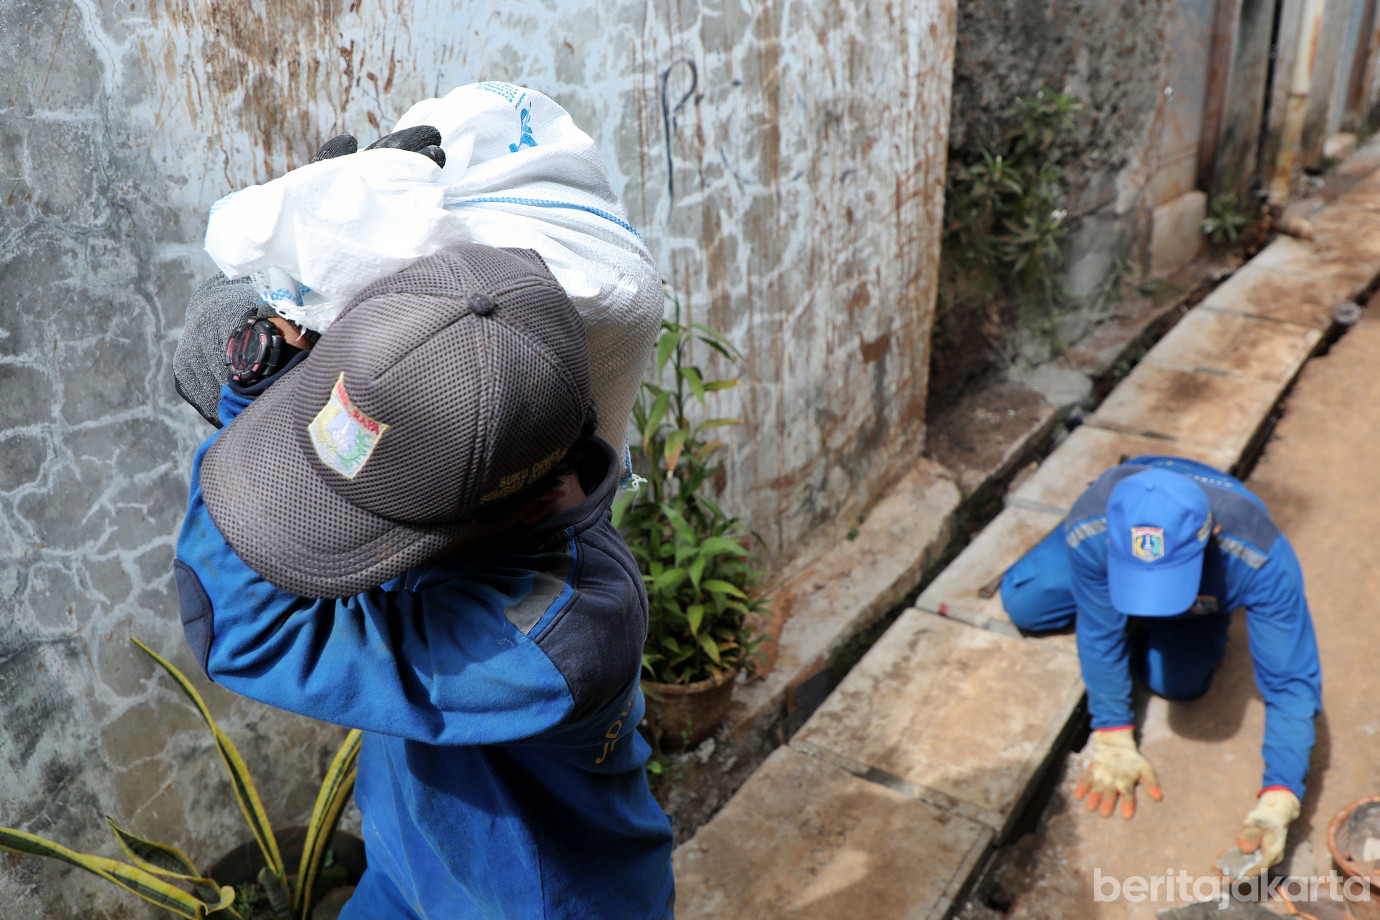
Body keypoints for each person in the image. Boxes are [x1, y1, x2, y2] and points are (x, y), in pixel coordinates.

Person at [172, 243, 676, 919]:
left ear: (529, 504)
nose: (353, 530)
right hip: (406, 872)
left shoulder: (553, 640)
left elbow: (241, 628)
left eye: (383, 524)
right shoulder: (478, 479)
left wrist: (253, 408)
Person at [1000, 456, 1321, 877]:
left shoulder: (1260, 555)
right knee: (1025, 604)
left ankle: (1189, 601)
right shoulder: (1094, 525)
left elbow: (1291, 683)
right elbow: (1099, 632)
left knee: (1177, 684)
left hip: (1210, 575)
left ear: (1213, 536)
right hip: (1104, 534)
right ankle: (1107, 575)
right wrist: (1112, 733)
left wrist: (1281, 796)